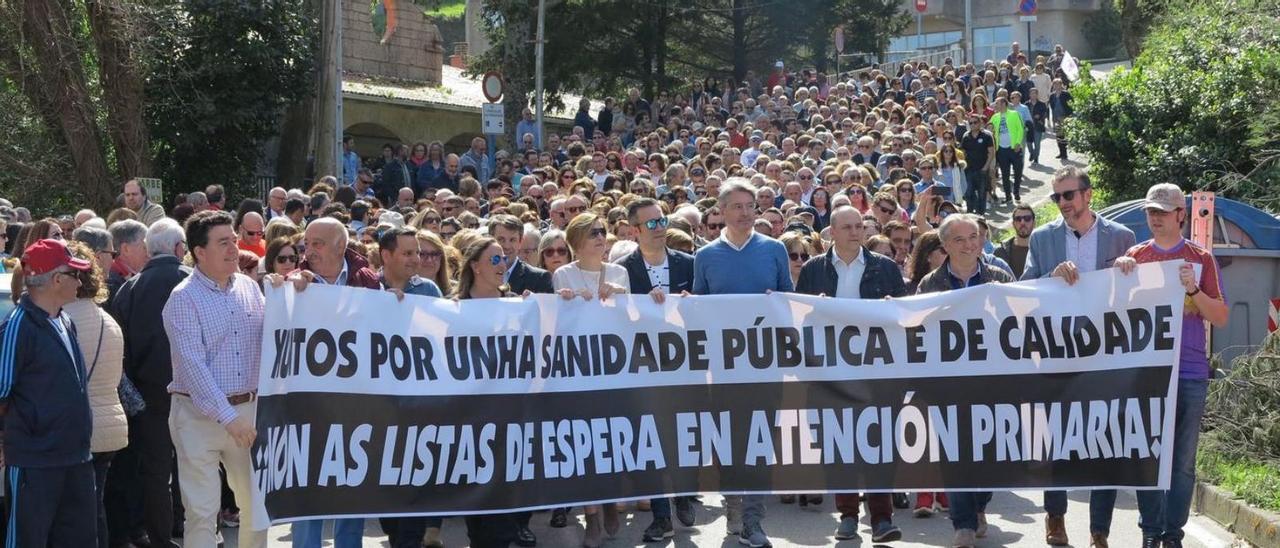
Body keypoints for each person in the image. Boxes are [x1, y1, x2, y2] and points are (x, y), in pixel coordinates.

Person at [1021, 166, 1137, 547]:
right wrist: (1049, 279)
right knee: (1054, 442)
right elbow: (1025, 289)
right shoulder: (1042, 238)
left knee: (1105, 443)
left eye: (1068, 195)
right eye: (1056, 197)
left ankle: (1099, 530)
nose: (1063, 204)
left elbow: (1136, 297)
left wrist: (1128, 271)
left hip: (1105, 356)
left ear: (1088, 195)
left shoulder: (1122, 237)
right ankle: (1055, 517)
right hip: (1056, 355)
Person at [794, 206, 906, 542]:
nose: (855, 232)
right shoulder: (815, 269)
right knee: (838, 444)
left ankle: (882, 519)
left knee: (879, 444)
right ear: (831, 232)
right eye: (847, 227)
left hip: (876, 372)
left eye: (859, 226)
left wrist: (891, 308)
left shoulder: (883, 267)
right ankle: (846, 515)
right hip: (830, 373)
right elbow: (801, 317)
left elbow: (902, 314)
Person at [1129, 183, 1229, 548]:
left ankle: (1172, 534)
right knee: (1147, 455)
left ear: (1182, 215)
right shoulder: (1135, 256)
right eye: (1150, 212)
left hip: (1189, 371)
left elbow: (1219, 316)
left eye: (1163, 212)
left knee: (1182, 463)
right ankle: (1150, 531)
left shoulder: (1201, 258)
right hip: (1146, 372)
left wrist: (1193, 291)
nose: (1155, 218)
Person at [693, 178, 791, 548]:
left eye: (751, 205)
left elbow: (788, 302)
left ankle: (754, 520)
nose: (746, 213)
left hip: (766, 365)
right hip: (722, 367)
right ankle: (733, 498)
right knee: (729, 442)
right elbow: (699, 308)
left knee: (760, 440)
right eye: (738, 206)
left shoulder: (775, 249)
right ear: (721, 211)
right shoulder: (705, 257)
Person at [161, 210, 268, 548]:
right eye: (224, 243)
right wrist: (229, 417)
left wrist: (295, 293)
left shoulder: (251, 288)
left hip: (247, 412)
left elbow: (276, 338)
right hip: (196, 416)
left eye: (234, 241)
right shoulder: (182, 298)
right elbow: (193, 367)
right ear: (199, 253)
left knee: (257, 505)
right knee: (202, 512)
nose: (234, 249)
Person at [914, 215, 1014, 548]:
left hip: (992, 384)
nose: (969, 244)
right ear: (945, 246)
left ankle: (979, 505)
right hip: (948, 385)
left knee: (990, 456)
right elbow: (916, 329)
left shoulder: (998, 278)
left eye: (974, 236)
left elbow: (1020, 321)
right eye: (959, 239)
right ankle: (964, 525)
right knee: (955, 455)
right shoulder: (930, 284)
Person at [1, 238, 98, 547]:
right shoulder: (18, 326)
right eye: (74, 274)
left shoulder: (65, 320)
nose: (80, 281)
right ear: (56, 279)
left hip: (76, 458)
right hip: (35, 462)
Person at [107, 217, 188, 548]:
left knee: (157, 471)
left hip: (148, 393)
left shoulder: (131, 288)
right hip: (193, 390)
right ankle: (198, 530)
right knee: (199, 464)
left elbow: (120, 346)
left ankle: (161, 537)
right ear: (180, 248)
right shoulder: (193, 281)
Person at [452, 237, 524, 547]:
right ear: (475, 266)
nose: (502, 265)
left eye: (504, 258)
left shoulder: (521, 306)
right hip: (468, 425)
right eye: (494, 259)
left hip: (510, 423)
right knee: (480, 522)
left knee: (505, 524)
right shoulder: (449, 309)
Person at [64, 240, 128, 548]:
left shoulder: (61, 321)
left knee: (77, 513)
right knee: (95, 506)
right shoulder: (109, 322)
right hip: (111, 426)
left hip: (78, 428)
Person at [490, 214, 554, 295]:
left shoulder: (539, 278)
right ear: (490, 240)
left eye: (512, 240)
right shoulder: (479, 274)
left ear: (520, 242)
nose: (507, 246)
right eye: (501, 239)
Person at [989, 96, 1025, 204]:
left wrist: (1018, 142)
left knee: (1018, 171)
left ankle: (1016, 192)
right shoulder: (995, 117)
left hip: (1014, 147)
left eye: (997, 103)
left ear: (1004, 104)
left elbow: (1020, 129)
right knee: (1005, 173)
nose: (995, 106)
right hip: (1001, 149)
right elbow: (989, 128)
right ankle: (1008, 196)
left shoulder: (1014, 114)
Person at [107, 219, 149, 302]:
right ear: (126, 249)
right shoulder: (112, 283)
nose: (149, 253)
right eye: (145, 247)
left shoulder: (127, 276)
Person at [995, 205, 1035, 278]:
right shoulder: (1000, 252)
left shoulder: (1044, 250)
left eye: (1027, 218)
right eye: (1018, 219)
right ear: (1013, 224)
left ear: (1034, 223)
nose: (1022, 222)